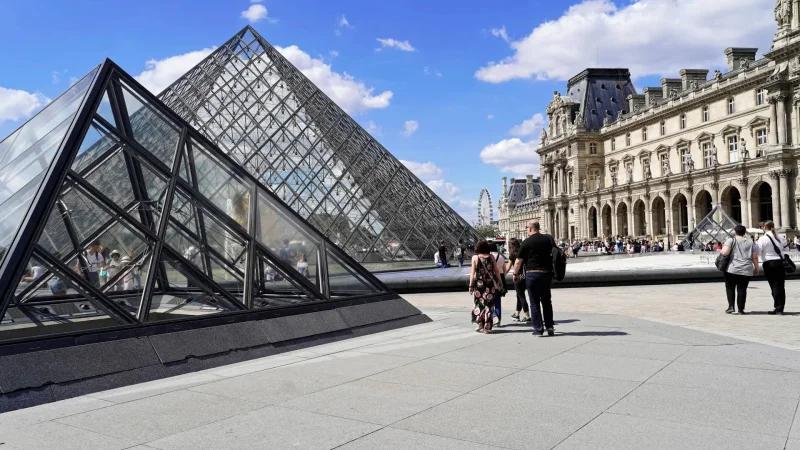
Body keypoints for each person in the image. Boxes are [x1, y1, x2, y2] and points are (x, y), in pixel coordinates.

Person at [512, 221, 557, 336]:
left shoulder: (526, 242)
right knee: (547, 301)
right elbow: (556, 252)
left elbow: (518, 262)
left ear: (531, 228)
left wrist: (515, 274)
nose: (526, 229)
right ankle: (550, 327)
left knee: (534, 302)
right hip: (546, 274)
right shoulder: (548, 239)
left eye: (526, 227)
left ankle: (538, 329)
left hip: (532, 274)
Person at [720, 225, 759, 314]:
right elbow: (754, 257)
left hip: (732, 269)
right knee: (742, 289)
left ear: (735, 231)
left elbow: (725, 252)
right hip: (746, 269)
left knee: (730, 287)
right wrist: (756, 268)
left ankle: (731, 307)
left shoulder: (731, 240)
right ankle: (741, 309)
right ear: (744, 232)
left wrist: (722, 250)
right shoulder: (751, 242)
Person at [469, 240, 502, 334]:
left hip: (479, 285)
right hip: (490, 285)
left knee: (479, 304)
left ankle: (480, 324)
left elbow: (472, 273)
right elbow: (496, 271)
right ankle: (487, 327)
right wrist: (500, 282)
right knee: (489, 305)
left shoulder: (475, 258)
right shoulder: (491, 257)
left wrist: (470, 285)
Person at [757, 221, 788, 314]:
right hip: (780, 263)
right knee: (781, 286)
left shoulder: (762, 238)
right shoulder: (780, 237)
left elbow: (758, 251)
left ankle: (778, 308)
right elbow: (786, 249)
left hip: (769, 263)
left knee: (774, 286)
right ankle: (780, 307)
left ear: (764, 227)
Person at [506, 238, 530, 322]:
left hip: (517, 277)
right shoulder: (523, 253)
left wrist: (501, 275)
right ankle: (517, 313)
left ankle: (527, 315)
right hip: (526, 276)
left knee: (521, 296)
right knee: (519, 295)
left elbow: (507, 268)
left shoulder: (512, 255)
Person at [489, 242, 507, 327]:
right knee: (498, 301)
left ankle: (493, 317)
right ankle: (498, 320)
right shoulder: (501, 256)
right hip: (500, 278)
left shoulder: (489, 257)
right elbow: (504, 270)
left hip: (492, 279)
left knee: (490, 300)